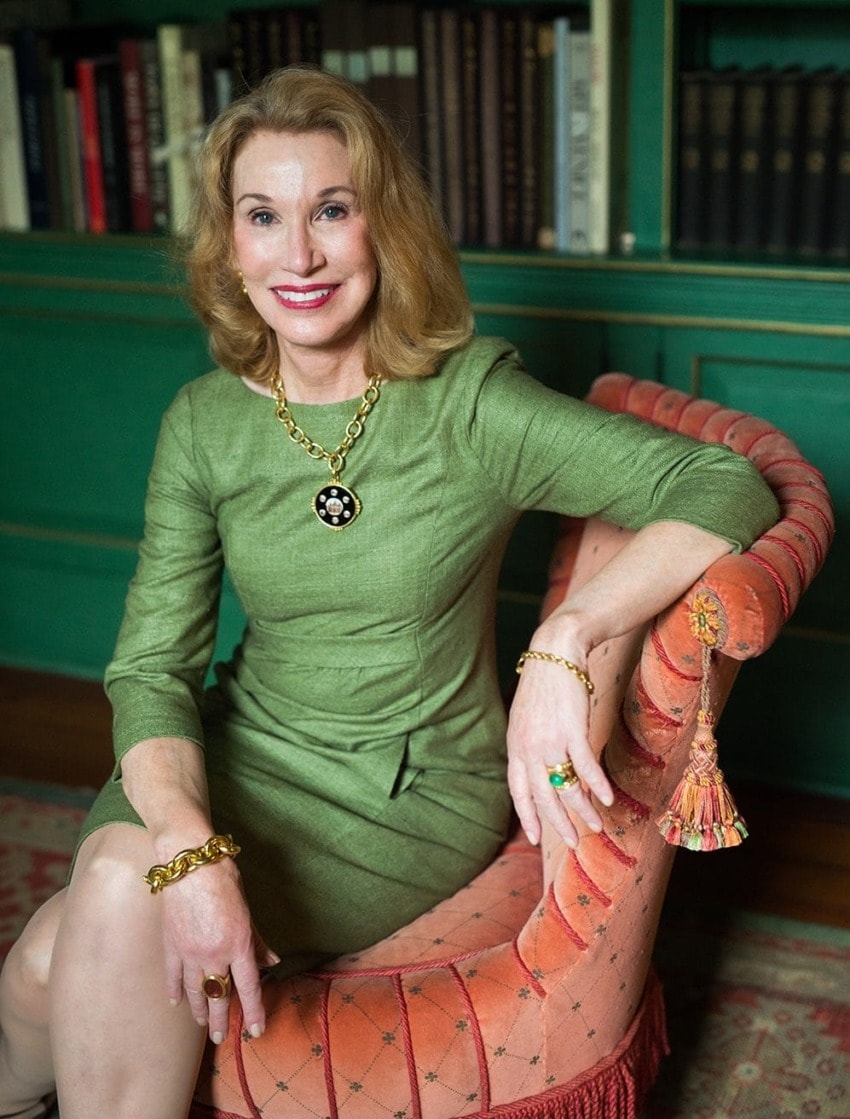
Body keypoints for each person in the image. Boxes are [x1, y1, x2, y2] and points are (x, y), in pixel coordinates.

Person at [0, 65, 779, 1119]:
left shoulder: (467, 407)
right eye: (263, 217)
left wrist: (570, 633)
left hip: (402, 794)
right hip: (242, 748)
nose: (300, 254)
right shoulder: (203, 423)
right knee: (55, 957)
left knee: (94, 920)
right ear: (229, 246)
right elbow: (151, 668)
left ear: (383, 227)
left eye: (332, 210)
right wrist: (188, 842)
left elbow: (723, 483)